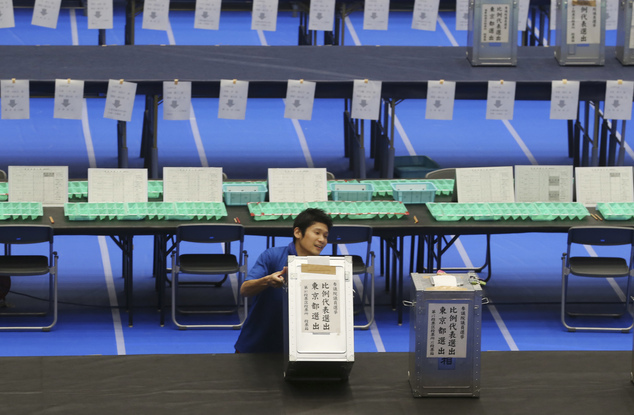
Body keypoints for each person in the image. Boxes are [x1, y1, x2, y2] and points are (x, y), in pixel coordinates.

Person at [234, 208, 333, 353]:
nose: (322, 240)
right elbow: (245, 289)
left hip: (298, 350)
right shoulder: (272, 256)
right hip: (256, 346)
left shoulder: (324, 269)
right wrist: (268, 280)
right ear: (298, 232)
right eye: (317, 233)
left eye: (325, 235)